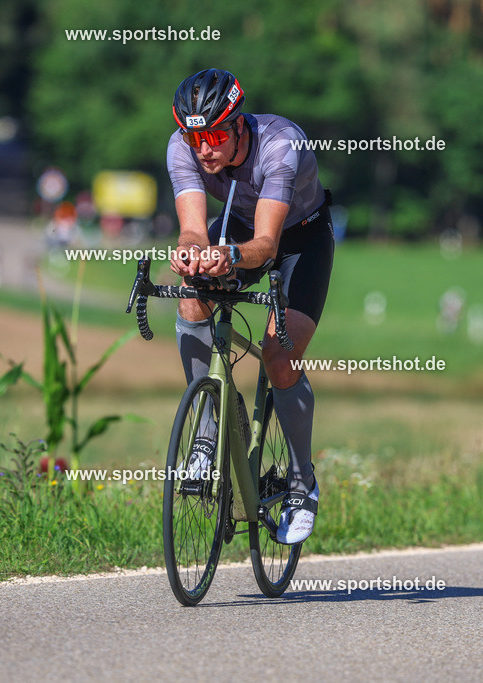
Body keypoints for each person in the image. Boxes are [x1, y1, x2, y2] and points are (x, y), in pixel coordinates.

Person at [166, 68, 334, 544]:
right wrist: (192, 251)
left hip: (300, 238)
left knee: (279, 356)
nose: (203, 149)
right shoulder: (183, 148)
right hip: (238, 224)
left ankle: (303, 483)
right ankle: (208, 430)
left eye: (215, 135)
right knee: (193, 297)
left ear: (240, 123)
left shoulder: (281, 145)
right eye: (193, 135)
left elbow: (266, 244)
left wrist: (230, 256)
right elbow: (195, 229)